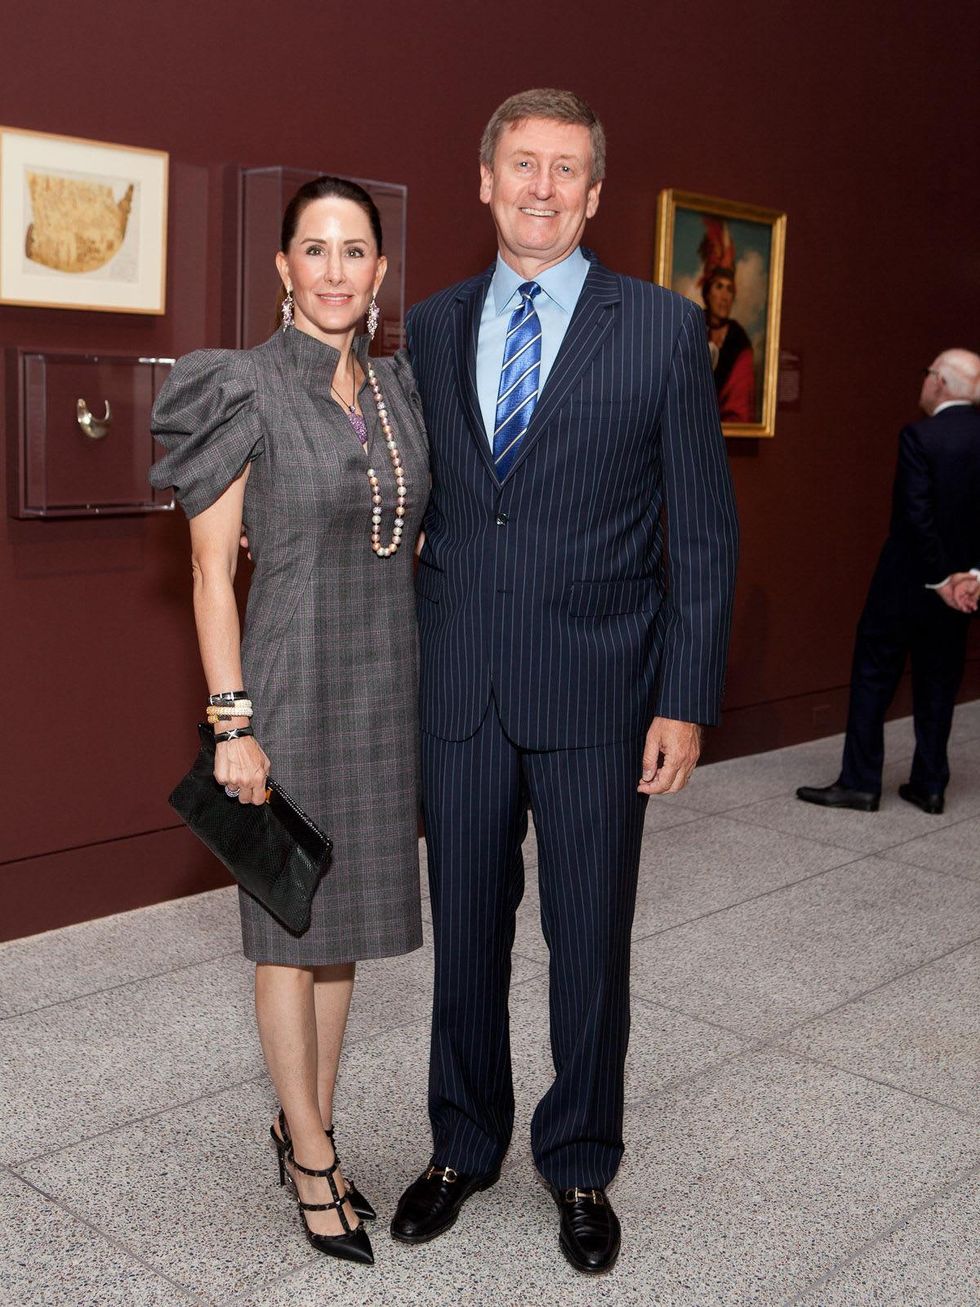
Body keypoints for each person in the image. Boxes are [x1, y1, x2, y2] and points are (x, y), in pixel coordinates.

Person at [390, 89, 739, 1274]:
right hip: (463, 690)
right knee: (467, 936)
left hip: (603, 692)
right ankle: (461, 1140)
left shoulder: (657, 328)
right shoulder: (430, 329)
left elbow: (700, 532)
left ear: (596, 194)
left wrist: (684, 697)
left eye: (566, 170)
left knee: (588, 943)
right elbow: (410, 499)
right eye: (521, 165)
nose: (541, 187)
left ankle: (580, 1159)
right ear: (483, 179)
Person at [150, 177, 429, 1267]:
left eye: (354, 250)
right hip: (288, 684)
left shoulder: (397, 390)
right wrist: (232, 724)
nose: (333, 270)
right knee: (287, 923)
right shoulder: (241, 386)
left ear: (379, 271)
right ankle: (311, 1150)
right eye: (312, 249)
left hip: (382, 680)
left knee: (344, 923)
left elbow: (400, 537)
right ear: (280, 266)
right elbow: (209, 572)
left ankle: (302, 1112)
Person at [797, 349, 980, 815]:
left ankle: (860, 784)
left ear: (938, 381)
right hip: (961, 595)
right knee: (940, 683)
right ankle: (930, 786)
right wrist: (971, 578)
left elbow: (915, 516)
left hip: (904, 586)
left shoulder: (920, 436)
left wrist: (941, 578)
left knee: (874, 676)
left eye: (926, 374)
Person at [702, 266, 755, 422]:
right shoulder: (693, 329)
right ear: (707, 293)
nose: (724, 297)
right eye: (719, 287)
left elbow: (740, 405)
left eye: (730, 289)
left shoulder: (739, 342)